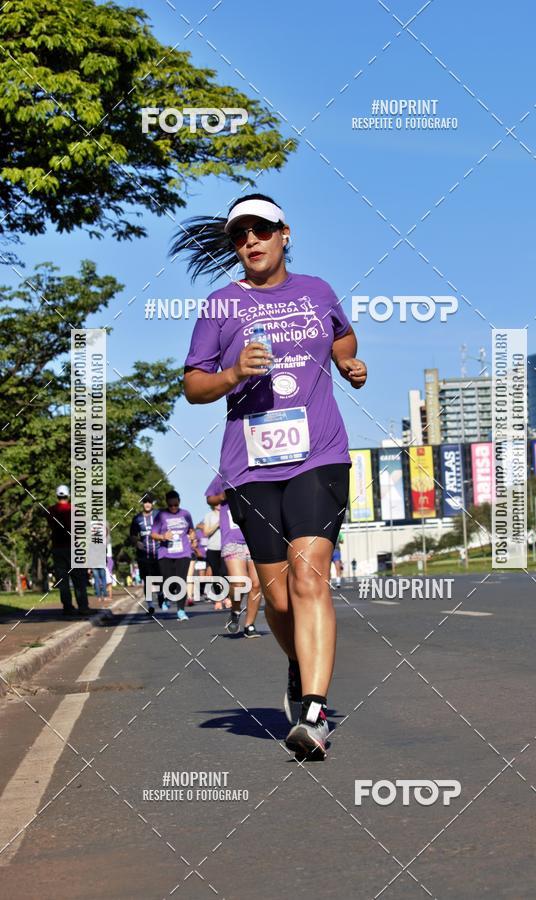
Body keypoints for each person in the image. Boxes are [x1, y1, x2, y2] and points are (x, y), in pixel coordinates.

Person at [176, 193, 367, 760]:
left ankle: (313, 711)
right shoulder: (219, 306)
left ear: (285, 233)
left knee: (311, 579)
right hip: (251, 466)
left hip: (319, 454)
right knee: (280, 599)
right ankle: (297, 662)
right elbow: (192, 386)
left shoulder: (317, 291)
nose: (251, 241)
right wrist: (233, 372)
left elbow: (342, 336)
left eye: (262, 230)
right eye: (240, 235)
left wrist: (348, 362)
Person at [206, 474, 262, 638]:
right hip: (232, 539)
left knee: (256, 584)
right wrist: (222, 496)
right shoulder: (223, 476)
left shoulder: (256, 471)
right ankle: (235, 610)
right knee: (239, 582)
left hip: (254, 538)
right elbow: (210, 499)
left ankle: (249, 625)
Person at [45, 485, 92, 616]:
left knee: (63, 580)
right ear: (68, 495)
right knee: (78, 578)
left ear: (57, 495)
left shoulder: (50, 511)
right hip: (73, 547)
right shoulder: (75, 510)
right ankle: (83, 606)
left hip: (58, 548)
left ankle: (67, 607)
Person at [151, 490, 196, 621]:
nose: (173, 508)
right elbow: (153, 534)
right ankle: (166, 597)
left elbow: (191, 530)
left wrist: (193, 537)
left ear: (179, 502)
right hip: (165, 553)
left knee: (181, 581)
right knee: (169, 582)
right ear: (167, 503)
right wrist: (163, 536)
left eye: (175, 505)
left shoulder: (186, 514)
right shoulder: (161, 515)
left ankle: (181, 611)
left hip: (183, 552)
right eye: (171, 505)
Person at [129, 493, 162, 616]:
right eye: (145, 502)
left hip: (158, 553)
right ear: (142, 503)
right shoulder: (137, 518)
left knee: (159, 579)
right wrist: (136, 542)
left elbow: (165, 529)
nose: (147, 504)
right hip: (143, 555)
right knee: (147, 580)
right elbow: (132, 535)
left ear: (152, 503)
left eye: (149, 502)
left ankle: (160, 595)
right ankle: (150, 605)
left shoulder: (158, 515)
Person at [201, 494, 227, 609]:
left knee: (226, 573)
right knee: (216, 574)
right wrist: (217, 524)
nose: (218, 504)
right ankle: (219, 599)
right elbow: (206, 532)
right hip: (213, 548)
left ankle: (227, 597)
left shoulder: (227, 513)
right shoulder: (209, 515)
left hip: (226, 547)